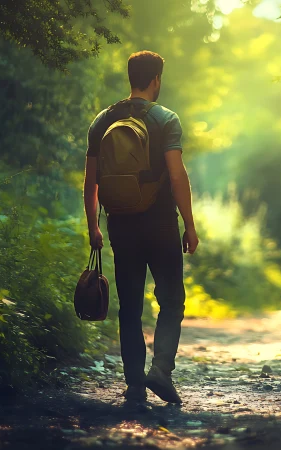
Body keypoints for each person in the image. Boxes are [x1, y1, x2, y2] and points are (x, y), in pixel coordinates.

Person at [83, 50, 199, 404]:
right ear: (155, 80)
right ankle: (161, 370)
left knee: (130, 304)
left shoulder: (103, 120)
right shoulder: (166, 119)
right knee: (172, 299)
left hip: (121, 224)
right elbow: (177, 175)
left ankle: (134, 383)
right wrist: (190, 226)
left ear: (130, 77)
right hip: (161, 223)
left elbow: (91, 181)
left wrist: (94, 226)